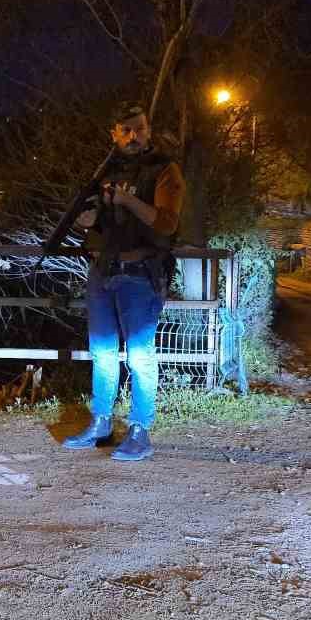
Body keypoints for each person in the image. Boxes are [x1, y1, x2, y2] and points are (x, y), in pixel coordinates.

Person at [58, 102, 185, 462]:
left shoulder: (165, 170)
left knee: (141, 356)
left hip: (141, 273)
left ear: (149, 130)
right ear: (113, 133)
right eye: (125, 129)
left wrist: (128, 200)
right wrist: (87, 220)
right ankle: (101, 423)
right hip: (103, 269)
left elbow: (167, 224)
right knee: (101, 352)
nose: (133, 136)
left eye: (140, 128)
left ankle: (140, 430)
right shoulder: (106, 171)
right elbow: (100, 224)